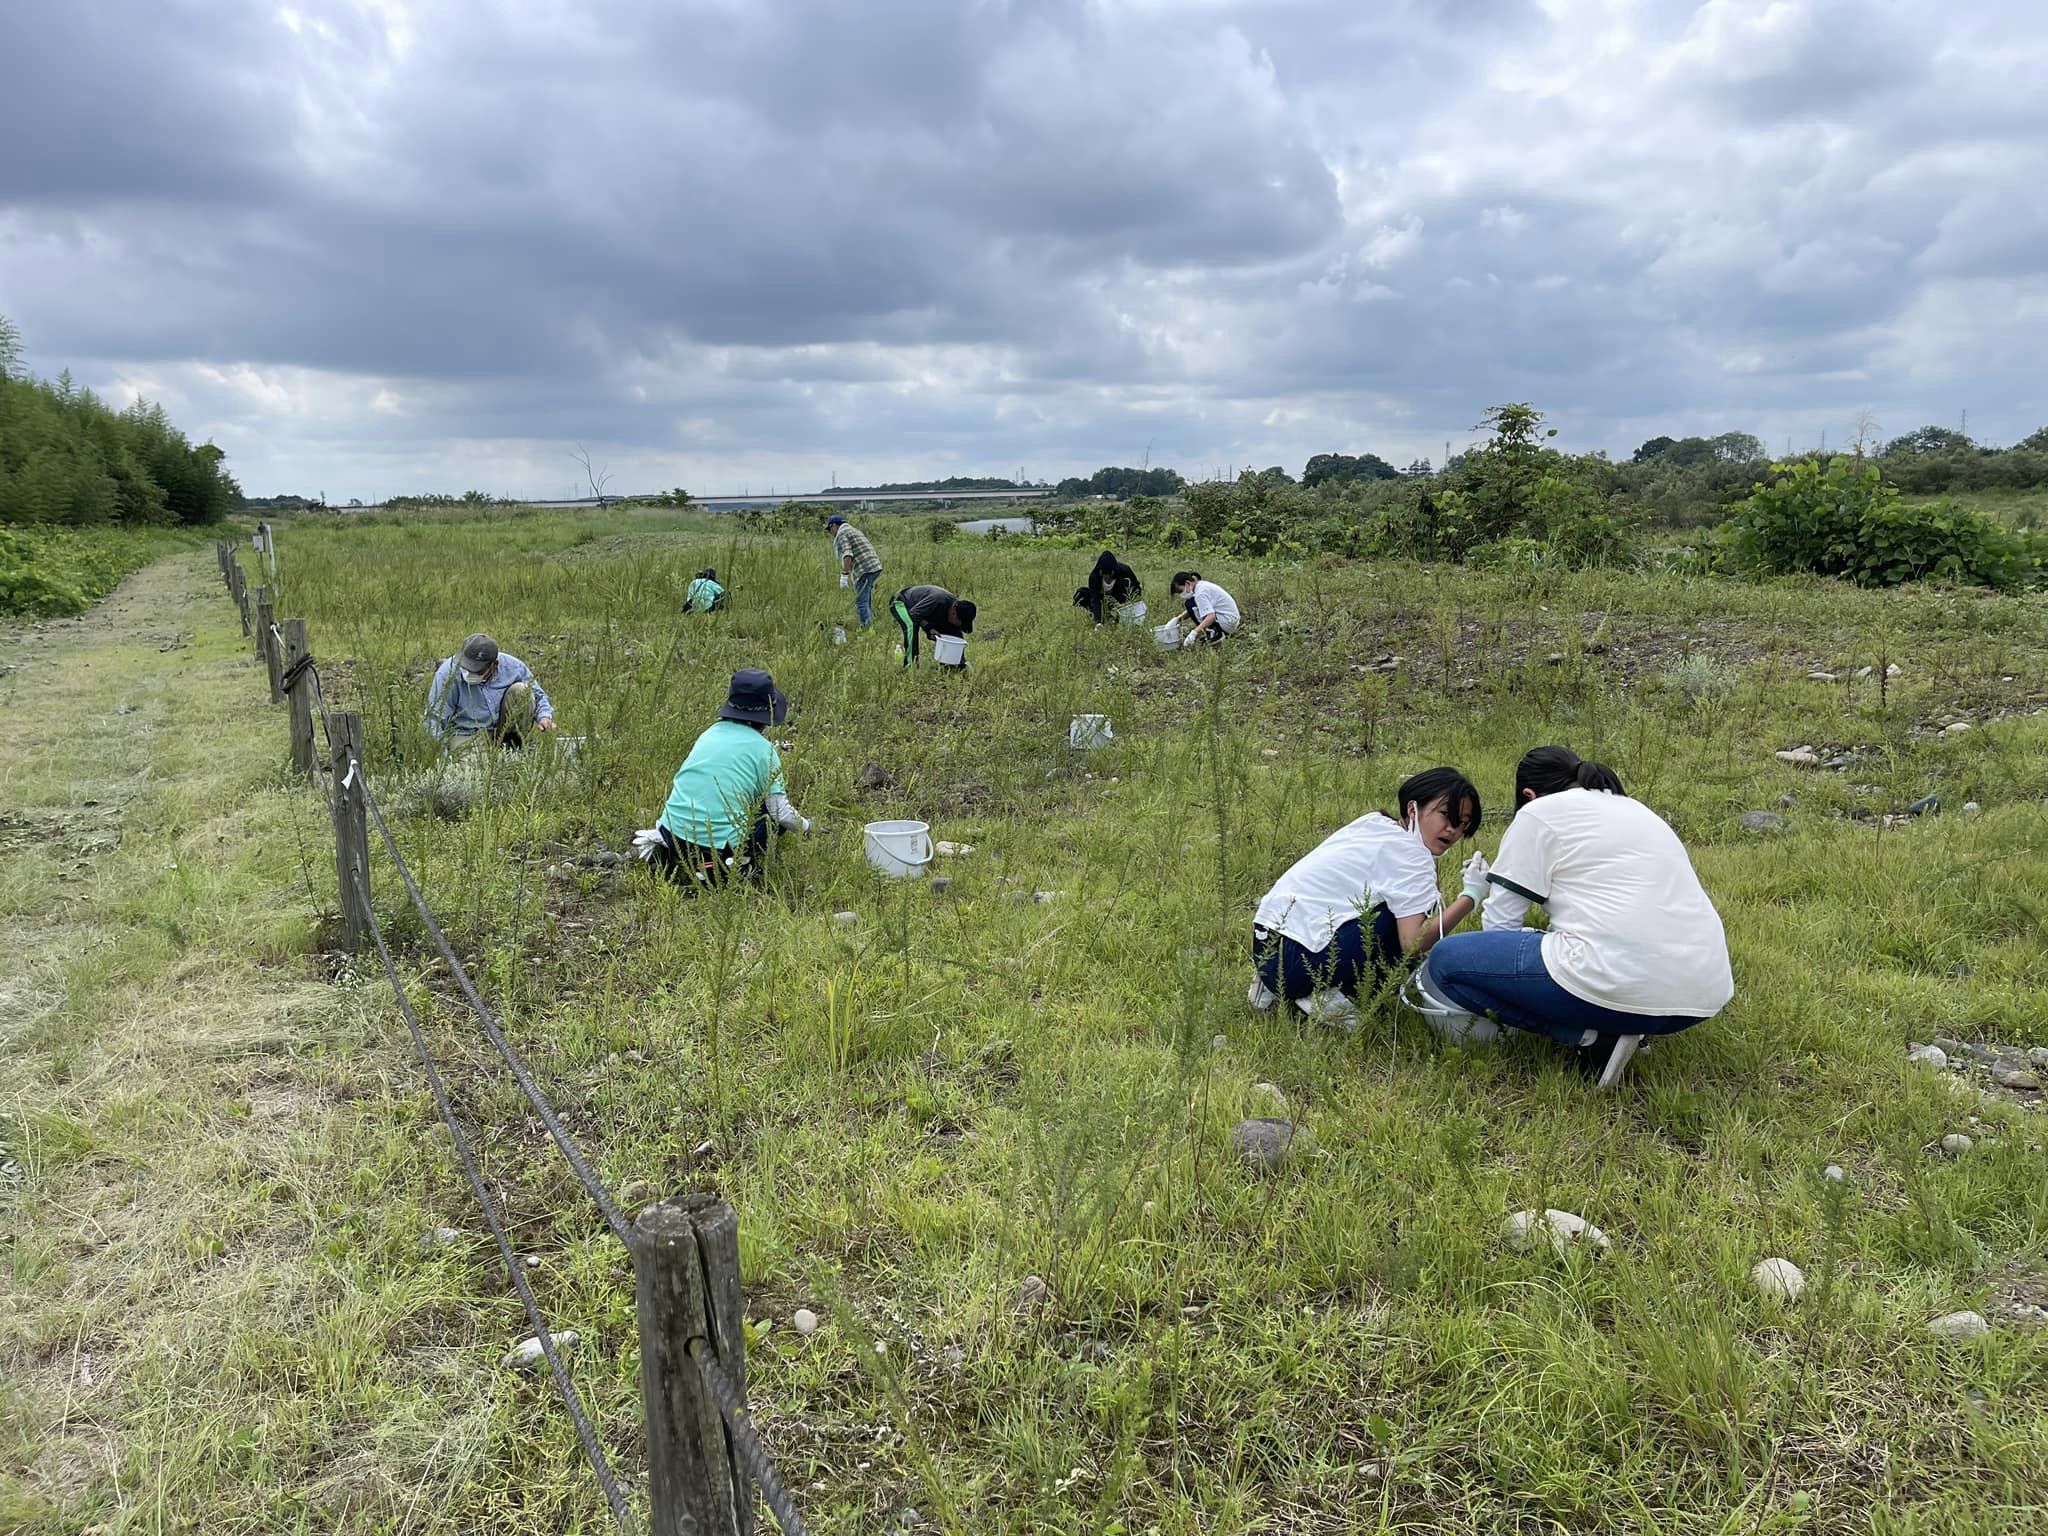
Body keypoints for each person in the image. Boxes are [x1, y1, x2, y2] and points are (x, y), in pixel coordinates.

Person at [1413, 747, 1734, 1088]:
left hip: (1624, 982)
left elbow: (1500, 928)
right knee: (1555, 947)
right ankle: (1627, 1026)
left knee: (1447, 961)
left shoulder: (1538, 813)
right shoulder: (1638, 810)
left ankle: (1592, 1038)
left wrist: (1476, 894)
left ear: (1528, 795)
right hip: (1704, 994)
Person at [1248, 768, 1487, 1025]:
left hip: (1266, 945)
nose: (1452, 829)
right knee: (1404, 922)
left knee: (1393, 907)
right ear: (1412, 809)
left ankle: (1272, 985)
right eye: (1446, 815)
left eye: (1462, 823)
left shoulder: (1374, 823)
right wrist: (1471, 896)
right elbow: (1413, 943)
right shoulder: (1413, 856)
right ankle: (1331, 997)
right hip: (1295, 966)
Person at [633, 668, 813, 888]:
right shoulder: (764, 750)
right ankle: (730, 863)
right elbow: (780, 812)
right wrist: (807, 827)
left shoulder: (709, 733)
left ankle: (673, 854)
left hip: (671, 831)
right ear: (768, 715)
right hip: (717, 844)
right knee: (771, 818)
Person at [423, 633, 556, 749]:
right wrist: (441, 756)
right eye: (466, 667)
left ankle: (515, 745)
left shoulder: (513, 667)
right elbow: (434, 720)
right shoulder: (447, 674)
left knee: (522, 691)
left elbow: (538, 695)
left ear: (494, 665)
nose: (468, 672)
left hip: (503, 728)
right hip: (466, 733)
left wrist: (544, 716)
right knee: (471, 768)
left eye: (476, 669)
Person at [889, 583, 976, 669]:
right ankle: (910, 667)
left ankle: (950, 667)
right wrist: (928, 628)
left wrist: (961, 661)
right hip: (901, 602)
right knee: (911, 625)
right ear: (954, 613)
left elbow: (956, 638)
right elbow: (914, 614)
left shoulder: (956, 610)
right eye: (960, 623)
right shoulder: (937, 599)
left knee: (953, 632)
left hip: (920, 611)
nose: (959, 626)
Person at [827, 514, 883, 628]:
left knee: (860, 601)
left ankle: (866, 629)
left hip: (864, 569)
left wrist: (844, 576)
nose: (830, 533)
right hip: (874, 566)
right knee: (865, 600)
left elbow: (848, 554)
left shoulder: (842, 533)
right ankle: (869, 625)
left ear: (834, 525)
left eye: (829, 529)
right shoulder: (853, 530)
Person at [1170, 571, 1241, 646]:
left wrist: (1194, 633)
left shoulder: (1200, 594)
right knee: (1190, 604)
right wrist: (1177, 620)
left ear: (1188, 583)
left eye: (1180, 591)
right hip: (1231, 620)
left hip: (1227, 622)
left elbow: (1211, 616)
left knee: (1189, 603)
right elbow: (1197, 608)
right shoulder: (1200, 586)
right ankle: (1211, 630)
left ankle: (1216, 634)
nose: (1181, 595)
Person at [1073, 550, 1142, 624]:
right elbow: (1095, 599)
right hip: (1102, 599)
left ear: (1114, 570)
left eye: (1109, 574)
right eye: (1104, 574)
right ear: (1100, 571)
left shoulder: (1125, 570)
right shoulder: (1094, 576)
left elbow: (1136, 587)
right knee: (1081, 593)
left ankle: (1120, 616)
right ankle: (1105, 615)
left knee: (1124, 583)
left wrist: (1130, 604)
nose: (1107, 577)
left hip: (1119, 598)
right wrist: (1098, 622)